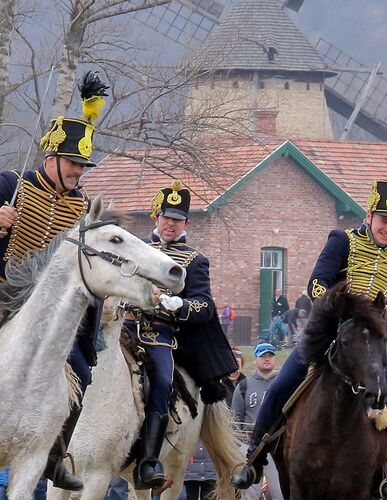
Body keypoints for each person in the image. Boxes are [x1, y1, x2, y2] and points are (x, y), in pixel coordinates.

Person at [232, 150, 387, 500]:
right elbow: (317, 285)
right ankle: (254, 458)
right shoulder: (343, 241)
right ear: (369, 215)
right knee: (282, 386)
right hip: (333, 336)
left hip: (376, 344)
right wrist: (347, 305)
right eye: (383, 220)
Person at [0, 71, 108, 493]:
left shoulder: (81, 206)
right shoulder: (11, 185)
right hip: (3, 293)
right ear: (51, 160)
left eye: (83, 166)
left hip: (48, 309)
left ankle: (54, 455)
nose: (79, 173)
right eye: (73, 164)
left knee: (81, 370)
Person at [123, 180, 237, 491]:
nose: (170, 224)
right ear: (155, 217)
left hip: (160, 335)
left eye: (177, 219)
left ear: (186, 223)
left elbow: (204, 306)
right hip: (124, 328)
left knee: (161, 380)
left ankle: (148, 461)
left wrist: (178, 304)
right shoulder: (135, 250)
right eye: (166, 217)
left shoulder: (194, 259)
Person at [231, 343, 283, 500]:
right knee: (249, 494)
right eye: (262, 356)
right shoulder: (244, 385)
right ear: (255, 359)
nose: (267, 359)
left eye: (270, 356)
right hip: (249, 447)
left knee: (280, 492)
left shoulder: (284, 383)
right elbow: (236, 420)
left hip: (276, 446)